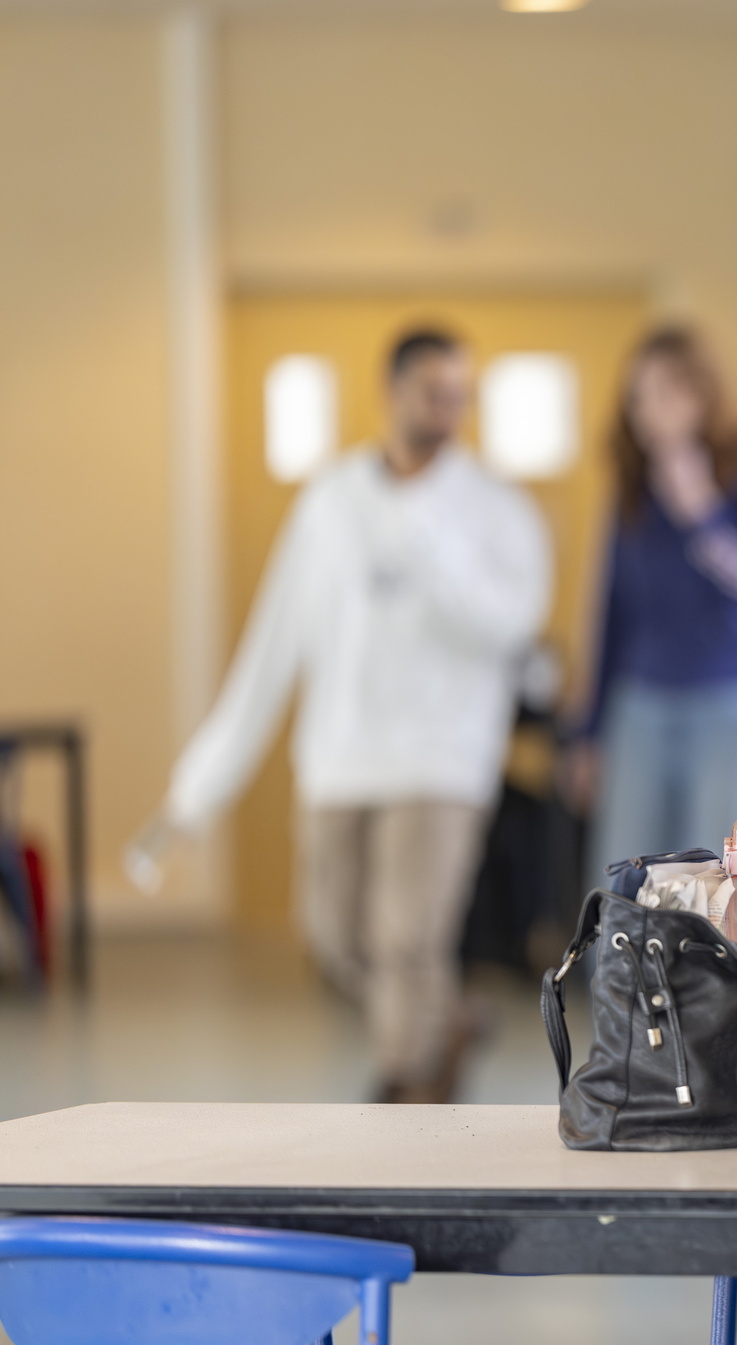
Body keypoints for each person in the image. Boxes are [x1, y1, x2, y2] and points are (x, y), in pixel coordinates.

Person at [146, 328, 552, 1104]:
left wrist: (429, 546)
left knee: (406, 939)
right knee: (336, 934)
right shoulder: (329, 503)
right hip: (340, 756)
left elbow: (515, 623)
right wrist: (202, 779)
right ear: (391, 390)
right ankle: (450, 1022)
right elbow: (273, 642)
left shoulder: (496, 511)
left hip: (442, 757)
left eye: (459, 397)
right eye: (433, 393)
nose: (447, 411)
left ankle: (405, 1100)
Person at [572, 326, 737, 870]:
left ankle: (706, 961)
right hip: (641, 699)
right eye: (639, 397)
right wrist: (587, 728)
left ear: (704, 395)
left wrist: (700, 512)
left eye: (666, 394)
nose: (650, 412)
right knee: (629, 869)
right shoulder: (630, 485)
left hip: (725, 697)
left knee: (713, 869)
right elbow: (610, 610)